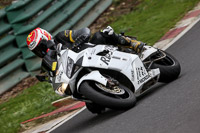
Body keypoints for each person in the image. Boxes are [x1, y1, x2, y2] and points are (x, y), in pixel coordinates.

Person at [26, 26, 145, 96]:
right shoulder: (48, 61)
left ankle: (132, 43)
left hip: (91, 52)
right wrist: (49, 77)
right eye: (36, 50)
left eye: (40, 46)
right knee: (93, 107)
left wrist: (76, 43)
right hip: (78, 72)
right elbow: (54, 76)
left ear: (45, 38)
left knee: (102, 34)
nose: (40, 51)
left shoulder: (61, 37)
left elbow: (84, 31)